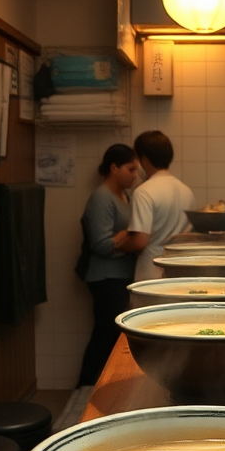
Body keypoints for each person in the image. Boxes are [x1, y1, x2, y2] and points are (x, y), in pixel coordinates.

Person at [76, 144, 140, 387]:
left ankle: (103, 386)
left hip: (121, 275)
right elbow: (101, 245)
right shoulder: (101, 197)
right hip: (104, 278)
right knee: (105, 334)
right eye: (130, 169)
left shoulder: (125, 195)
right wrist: (131, 230)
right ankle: (85, 388)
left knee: (112, 335)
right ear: (114, 168)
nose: (135, 175)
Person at [121, 130, 195, 283]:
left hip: (153, 269)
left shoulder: (144, 192)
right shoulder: (186, 191)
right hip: (181, 267)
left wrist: (117, 246)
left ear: (145, 159)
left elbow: (140, 241)